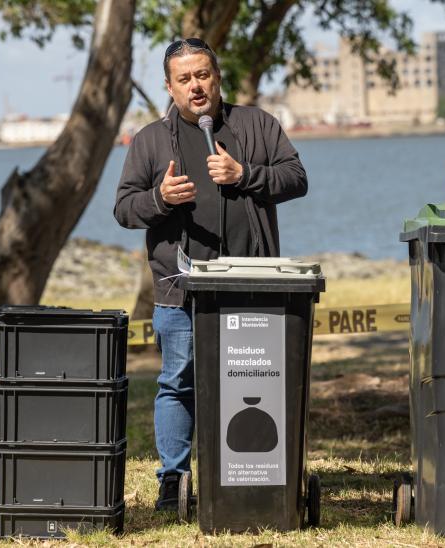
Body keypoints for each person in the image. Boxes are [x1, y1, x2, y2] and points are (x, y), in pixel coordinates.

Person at [113, 37, 308, 510]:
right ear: (169, 86)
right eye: (184, 79)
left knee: (253, 384)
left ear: (217, 77)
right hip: (180, 290)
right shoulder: (150, 141)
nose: (195, 87)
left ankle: (250, 474)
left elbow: (296, 178)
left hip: (252, 285)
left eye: (203, 75)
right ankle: (173, 483)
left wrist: (246, 175)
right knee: (178, 383)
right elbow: (123, 209)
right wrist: (160, 199)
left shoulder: (258, 125)